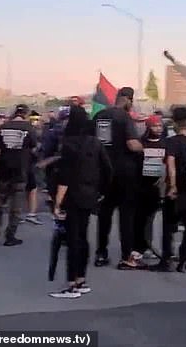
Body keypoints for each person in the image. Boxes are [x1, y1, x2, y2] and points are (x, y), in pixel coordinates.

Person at [50, 105, 112, 298]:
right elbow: (108, 169)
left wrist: (57, 203)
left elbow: (65, 178)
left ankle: (71, 284)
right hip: (89, 196)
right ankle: (81, 279)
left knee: (72, 240)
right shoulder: (95, 143)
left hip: (72, 197)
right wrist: (100, 191)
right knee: (83, 238)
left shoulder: (68, 144)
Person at [94, 87, 144, 269]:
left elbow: (97, 142)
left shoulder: (100, 116)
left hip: (104, 172)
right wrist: (144, 147)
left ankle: (101, 253)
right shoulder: (124, 117)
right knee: (126, 216)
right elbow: (132, 144)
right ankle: (126, 256)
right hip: (125, 173)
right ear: (128, 99)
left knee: (104, 214)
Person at [153, 107, 186, 273]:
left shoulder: (173, 141)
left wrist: (172, 185)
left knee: (168, 225)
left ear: (175, 122)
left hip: (178, 187)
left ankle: (166, 260)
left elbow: (171, 165)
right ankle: (184, 260)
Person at [0, 104, 36, 247]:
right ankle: (10, 237)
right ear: (26, 114)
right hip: (20, 171)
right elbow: (34, 148)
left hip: (4, 171)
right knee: (16, 206)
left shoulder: (3, 127)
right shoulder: (29, 128)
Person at [134, 115, 166, 260]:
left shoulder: (166, 144)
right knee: (139, 217)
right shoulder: (141, 143)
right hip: (142, 185)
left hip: (159, 186)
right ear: (148, 127)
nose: (158, 129)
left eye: (160, 126)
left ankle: (150, 246)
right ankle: (138, 247)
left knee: (152, 218)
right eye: (155, 126)